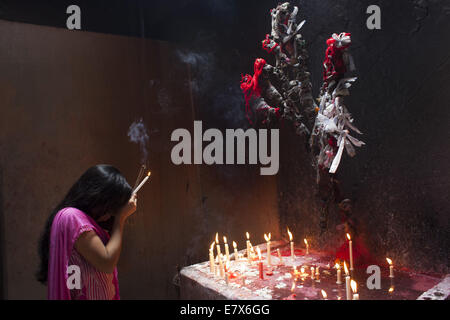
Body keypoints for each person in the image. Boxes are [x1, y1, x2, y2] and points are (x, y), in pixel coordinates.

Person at [36, 164, 137, 300]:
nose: (110, 213)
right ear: (97, 196)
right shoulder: (72, 216)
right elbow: (106, 262)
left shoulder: (86, 222)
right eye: (111, 206)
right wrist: (120, 218)